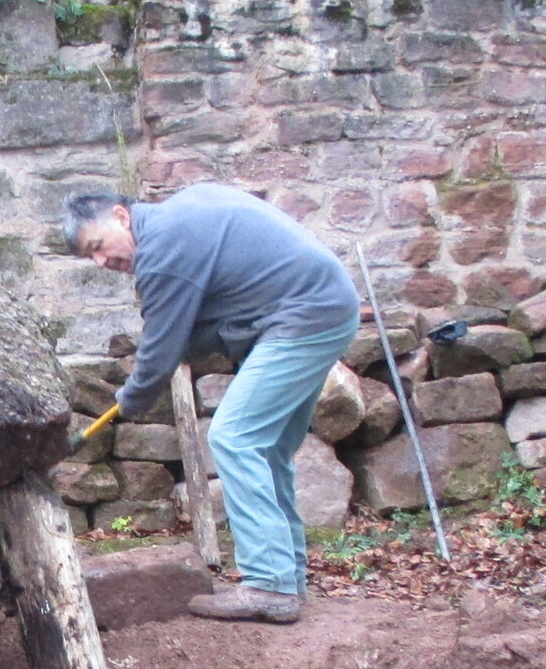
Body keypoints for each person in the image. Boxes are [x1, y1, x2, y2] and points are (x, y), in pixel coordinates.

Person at [62, 185, 360, 625]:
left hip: (304, 316)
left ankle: (269, 585)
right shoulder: (179, 218)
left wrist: (130, 399)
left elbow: (159, 353)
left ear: (122, 216)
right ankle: (285, 577)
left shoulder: (162, 249)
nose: (101, 262)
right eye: (91, 256)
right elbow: (204, 320)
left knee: (235, 437)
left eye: (98, 246)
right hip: (327, 308)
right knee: (269, 448)